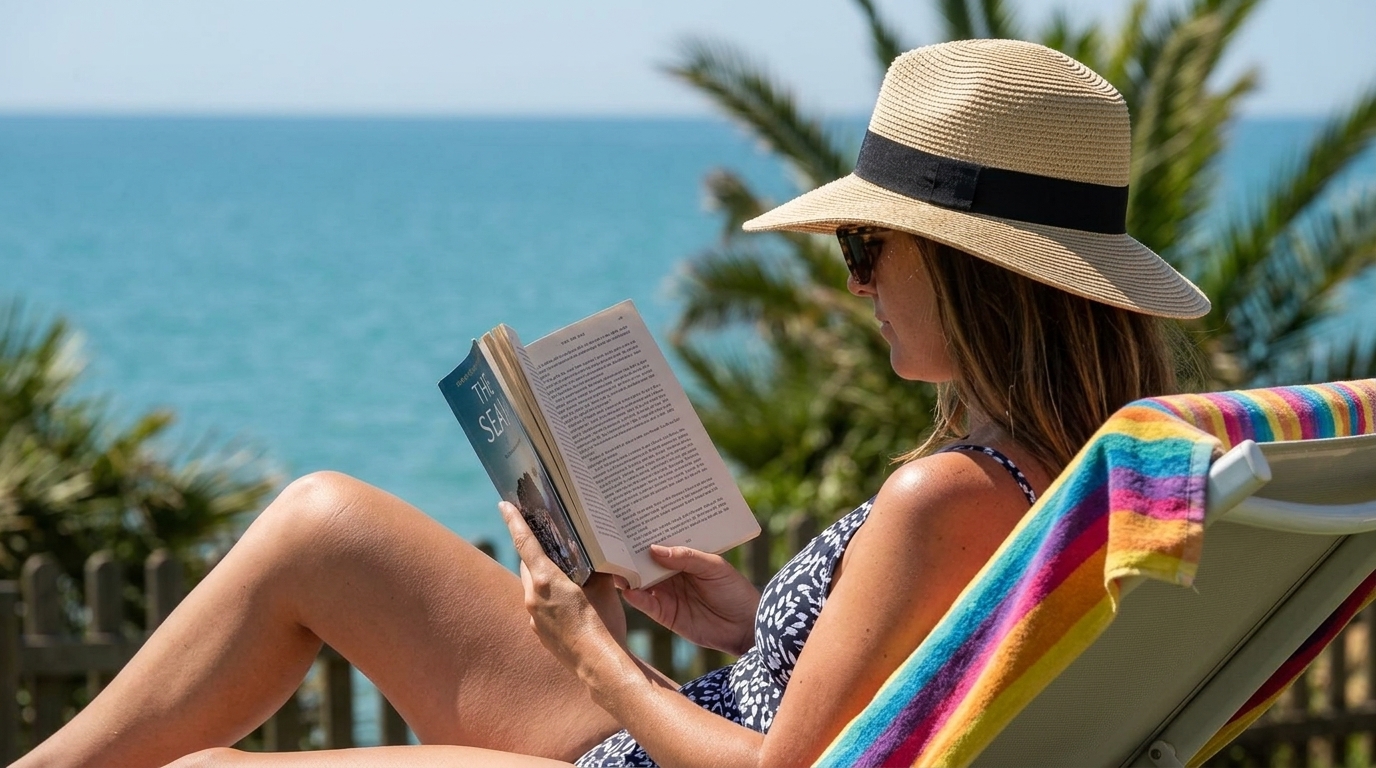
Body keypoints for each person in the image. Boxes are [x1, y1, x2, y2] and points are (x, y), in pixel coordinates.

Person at [18, 39, 1210, 768]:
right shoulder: (1067, 473)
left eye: (864, 245)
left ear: (964, 268)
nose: (852, 282)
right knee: (324, 522)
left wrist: (583, 645)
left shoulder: (940, 493)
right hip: (695, 713)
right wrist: (749, 620)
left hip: (655, 757)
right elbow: (914, 694)